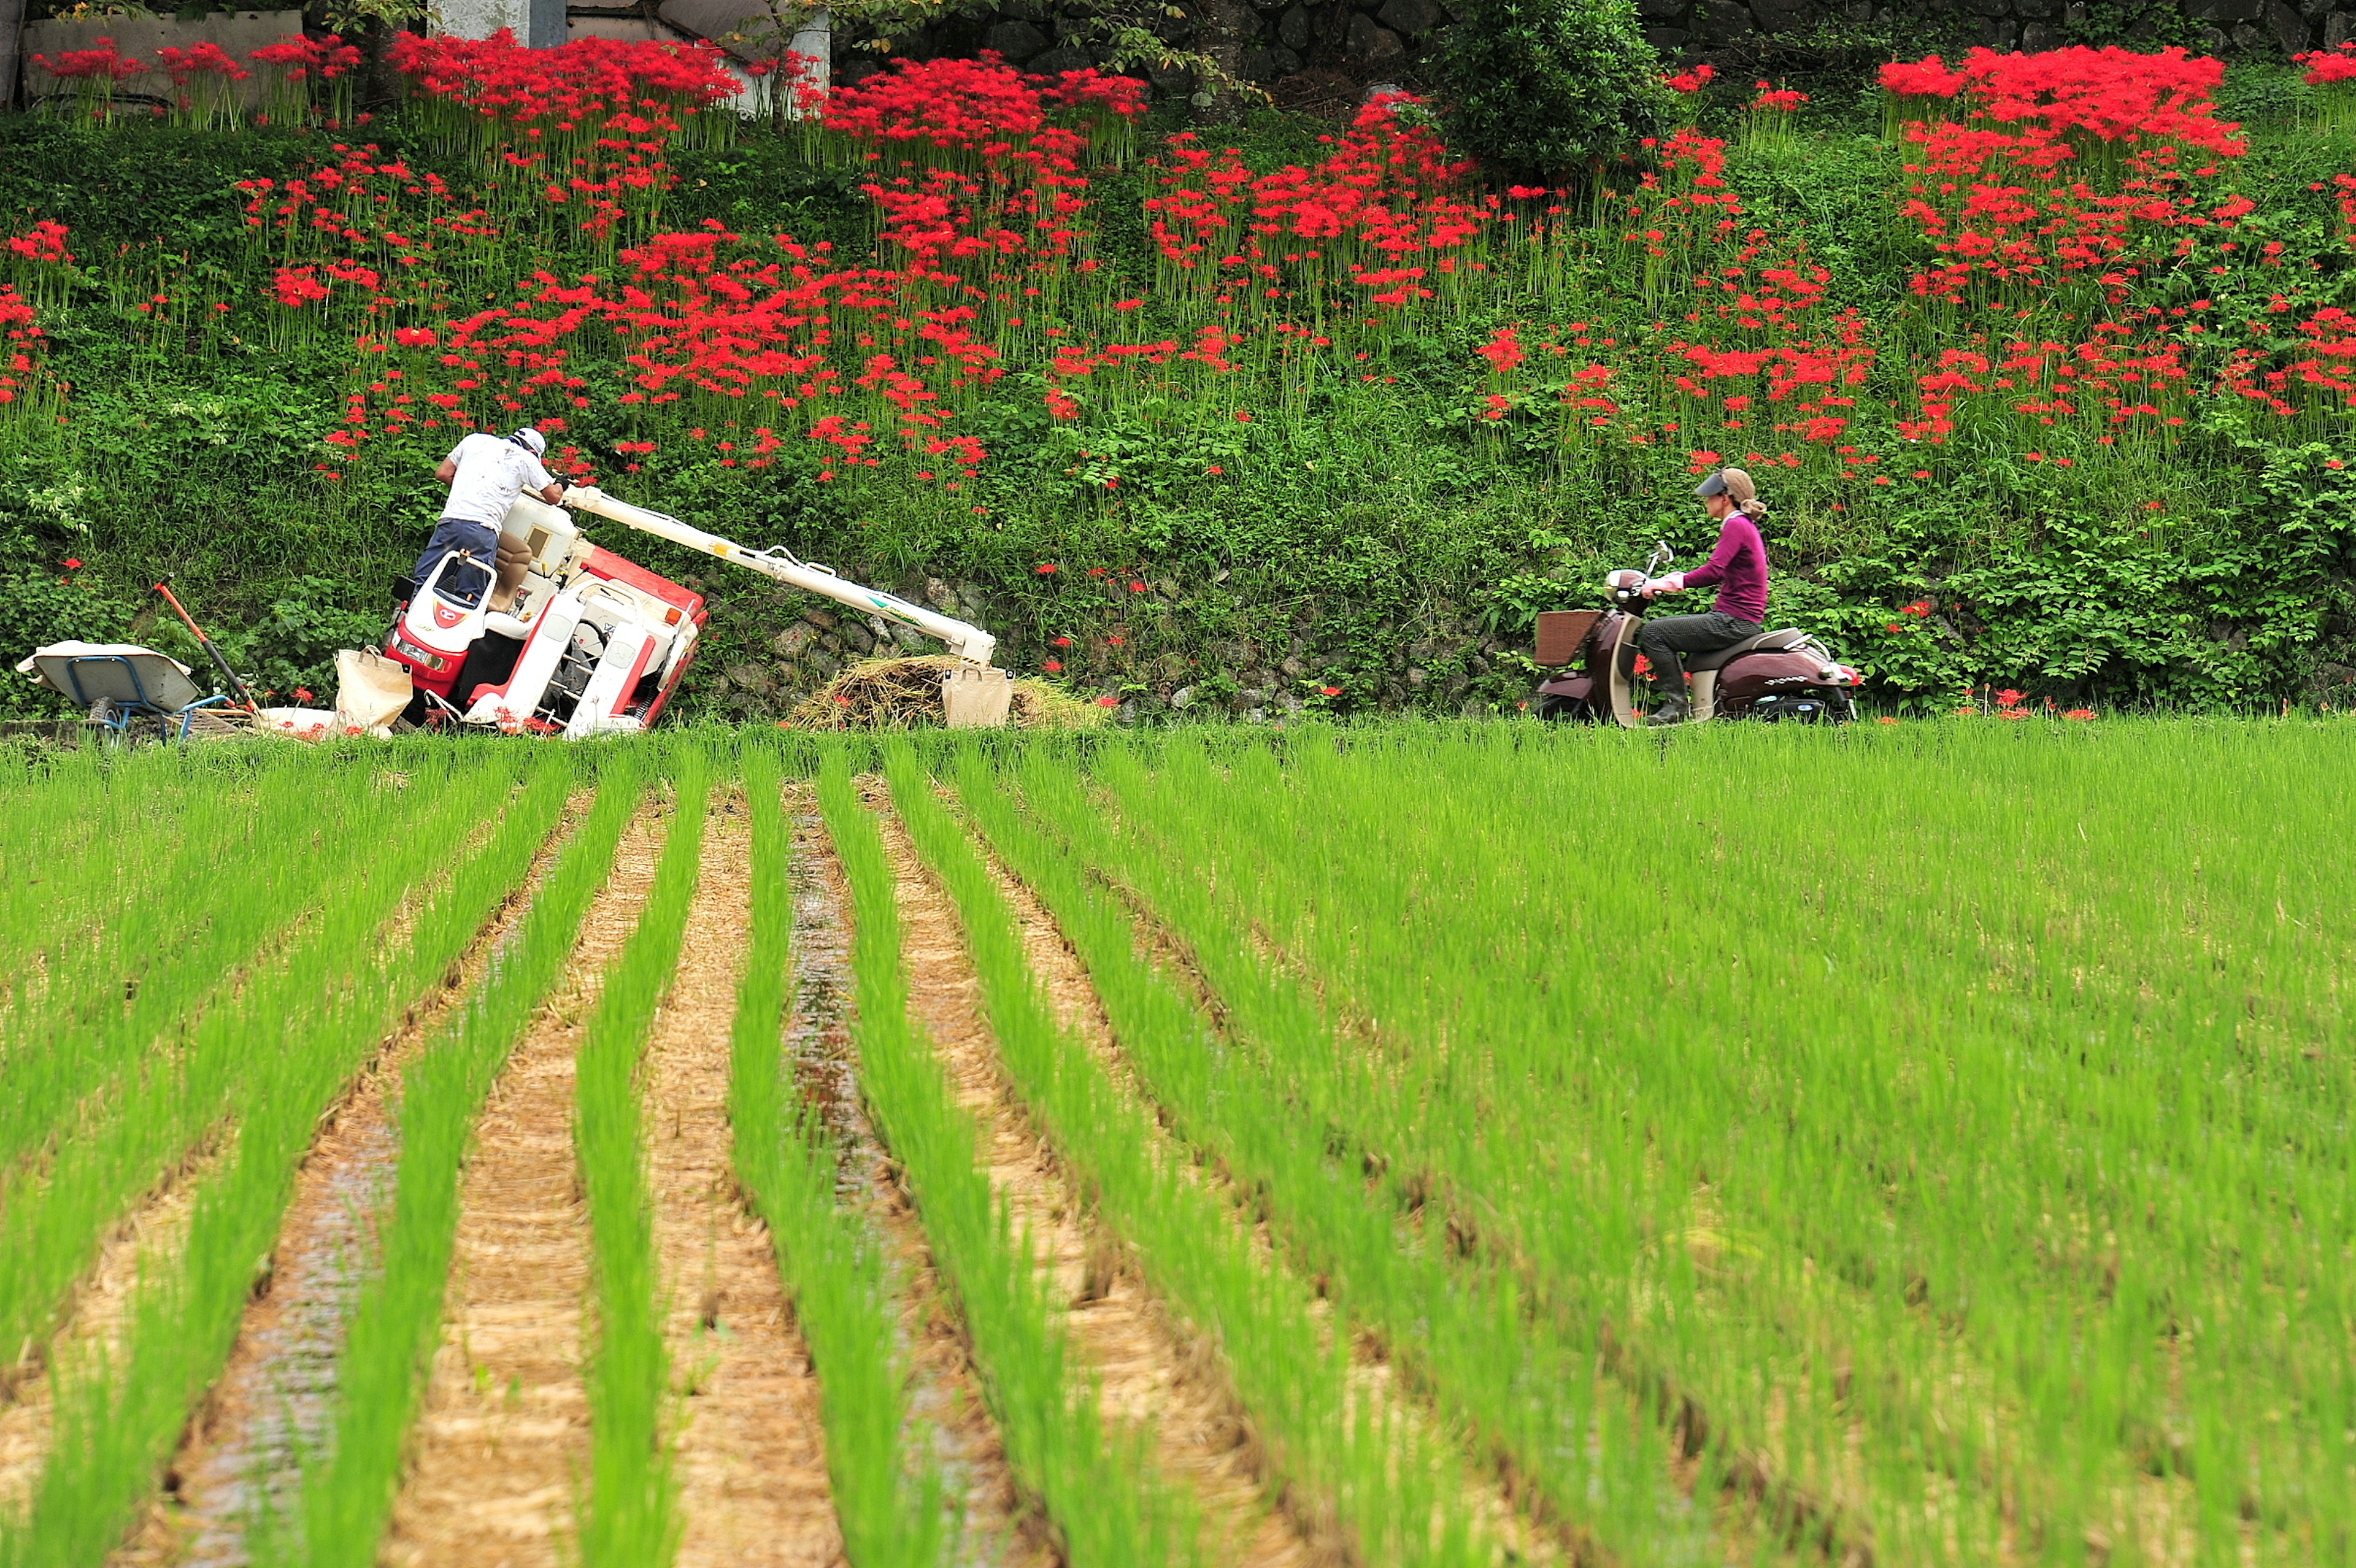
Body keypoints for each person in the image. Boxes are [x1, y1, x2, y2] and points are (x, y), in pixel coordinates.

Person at [1638, 467, 1770, 726]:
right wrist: (1675, 578)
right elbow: (1720, 570)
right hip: (1738, 617)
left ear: (1725, 498)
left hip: (1734, 621)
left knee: (1654, 633)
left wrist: (1679, 582)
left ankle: (1676, 708)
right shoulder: (1744, 526)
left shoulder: (1736, 525)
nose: (1706, 501)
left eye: (1711, 496)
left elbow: (1715, 570)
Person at [412, 427, 563, 611]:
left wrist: (468, 490)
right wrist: (561, 484)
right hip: (482, 532)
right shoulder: (526, 458)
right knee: (468, 595)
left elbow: (442, 473)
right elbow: (553, 497)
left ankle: (409, 624)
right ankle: (449, 634)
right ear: (533, 451)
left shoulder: (474, 440)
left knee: (427, 579)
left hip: (450, 523)